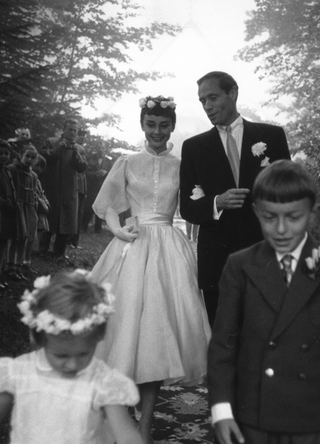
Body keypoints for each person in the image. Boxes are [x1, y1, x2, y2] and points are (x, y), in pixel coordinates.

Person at [91, 95, 211, 444]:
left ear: (172, 126)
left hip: (168, 249)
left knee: (156, 334)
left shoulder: (181, 165)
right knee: (124, 328)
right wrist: (117, 229)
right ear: (142, 125)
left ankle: (145, 421)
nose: (157, 132)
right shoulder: (127, 162)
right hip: (132, 245)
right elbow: (109, 204)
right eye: (150, 124)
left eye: (163, 125)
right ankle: (123, 409)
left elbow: (193, 203)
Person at [207, 159, 320, 444]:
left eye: (293, 217)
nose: (281, 229)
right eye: (270, 217)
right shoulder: (240, 266)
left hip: (311, 416)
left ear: (312, 215)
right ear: (257, 213)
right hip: (253, 414)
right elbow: (223, 346)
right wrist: (222, 412)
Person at [179, 71, 291, 326]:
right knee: (224, 340)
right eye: (202, 101)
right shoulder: (193, 147)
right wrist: (217, 202)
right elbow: (186, 208)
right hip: (217, 262)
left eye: (213, 97)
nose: (207, 106)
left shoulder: (272, 137)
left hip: (265, 255)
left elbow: (289, 194)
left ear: (233, 93)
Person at [0, 269, 143, 444]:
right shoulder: (18, 373)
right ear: (38, 341)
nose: (73, 365)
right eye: (61, 355)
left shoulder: (103, 382)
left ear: (97, 339)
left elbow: (126, 435)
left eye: (84, 353)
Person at [39, 118, 87, 259]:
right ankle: (42, 249)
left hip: (69, 189)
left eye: (75, 130)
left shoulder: (80, 148)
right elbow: (44, 158)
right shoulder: (51, 142)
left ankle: (59, 253)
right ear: (63, 130)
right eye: (70, 129)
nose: (72, 133)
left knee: (67, 220)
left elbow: (82, 167)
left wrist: (75, 154)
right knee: (49, 217)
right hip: (51, 186)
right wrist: (59, 147)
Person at [5, 144, 38, 281]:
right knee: (15, 237)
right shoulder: (12, 169)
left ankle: (18, 266)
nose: (29, 159)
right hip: (16, 207)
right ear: (20, 156)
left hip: (28, 208)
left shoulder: (33, 175)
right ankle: (9, 266)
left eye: (33, 157)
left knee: (24, 238)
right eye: (27, 156)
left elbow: (34, 192)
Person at [0, 140, 17, 289]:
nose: (4, 156)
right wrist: (6, 205)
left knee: (3, 244)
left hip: (5, 216)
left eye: (6, 153)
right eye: (1, 153)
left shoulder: (6, 170)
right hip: (2, 211)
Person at [32, 154, 50, 256]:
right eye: (37, 165)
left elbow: (41, 194)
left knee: (38, 232)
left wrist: (45, 202)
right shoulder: (29, 177)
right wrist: (42, 203)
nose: (39, 169)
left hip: (39, 209)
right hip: (33, 207)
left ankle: (33, 253)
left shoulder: (38, 180)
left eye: (41, 167)